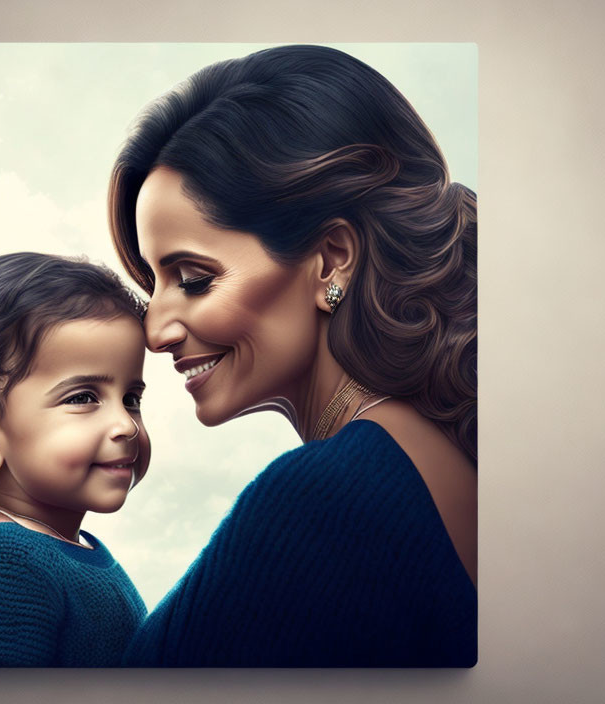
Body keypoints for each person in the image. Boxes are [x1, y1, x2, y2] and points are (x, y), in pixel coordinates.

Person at [109, 45, 477, 666]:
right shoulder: (446, 463)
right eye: (152, 283)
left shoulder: (328, 504)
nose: (156, 329)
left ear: (332, 258)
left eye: (194, 278)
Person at [0, 252, 150, 667]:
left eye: (131, 399)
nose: (126, 426)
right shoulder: (1, 563)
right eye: (83, 398)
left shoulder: (67, 548)